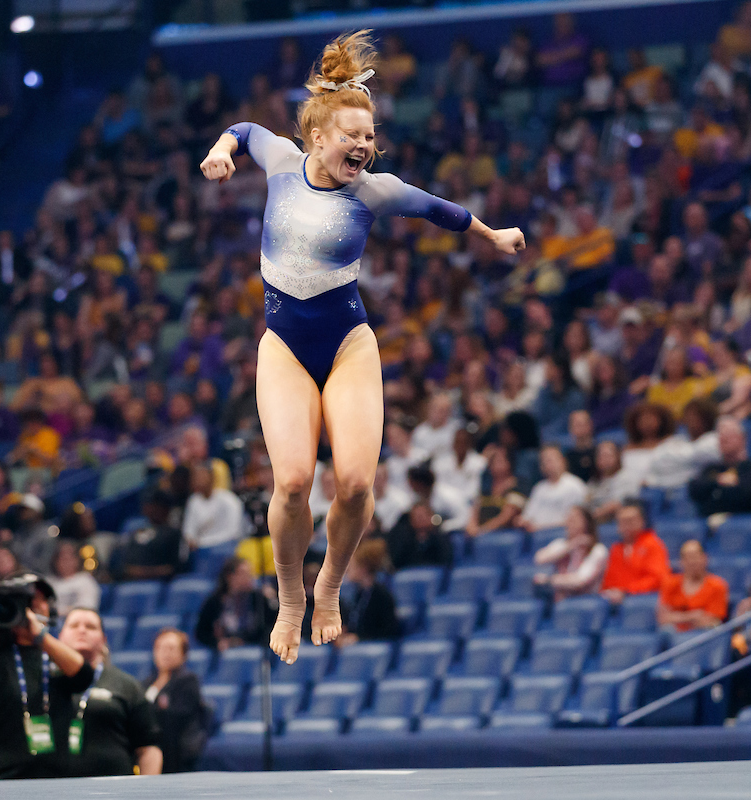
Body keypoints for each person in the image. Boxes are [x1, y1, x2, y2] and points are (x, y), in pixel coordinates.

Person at [199, 30, 525, 665]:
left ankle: (329, 588)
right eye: (351, 135)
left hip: (349, 343)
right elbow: (242, 128)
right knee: (292, 482)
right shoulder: (282, 162)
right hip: (284, 347)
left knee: (353, 482)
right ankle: (290, 596)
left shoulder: (374, 190)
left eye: (370, 138)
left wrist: (494, 235)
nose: (364, 147)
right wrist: (219, 151)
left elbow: (442, 210)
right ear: (317, 137)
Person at [0, 574, 95, 780]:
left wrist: (41, 638)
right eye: (27, 601)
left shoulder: (55, 655)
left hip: (52, 781)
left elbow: (83, 677)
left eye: (41, 601)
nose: (35, 607)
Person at [57, 608, 162, 777]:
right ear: (60, 636)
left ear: (103, 639)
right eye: (74, 625)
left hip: (114, 789)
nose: (82, 630)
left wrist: (148, 792)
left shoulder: (127, 685)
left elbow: (148, 748)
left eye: (90, 627)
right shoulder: (47, 681)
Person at [143, 628, 204, 773]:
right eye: (160, 648)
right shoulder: (146, 683)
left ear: (184, 654)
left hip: (176, 753)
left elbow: (177, 716)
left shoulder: (188, 681)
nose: (165, 653)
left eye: (171, 648)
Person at [688, 417, 751, 516]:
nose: (723, 438)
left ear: (742, 438)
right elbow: (695, 490)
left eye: (728, 435)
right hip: (709, 521)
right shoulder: (712, 468)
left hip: (740, 523)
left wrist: (716, 491)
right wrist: (719, 480)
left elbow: (746, 495)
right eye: (721, 435)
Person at [194, 557, 277, 652]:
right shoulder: (215, 601)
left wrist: (272, 600)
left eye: (249, 573)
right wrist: (216, 642)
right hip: (224, 652)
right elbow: (201, 632)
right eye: (243, 573)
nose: (249, 577)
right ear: (230, 577)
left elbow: (270, 626)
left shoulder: (259, 599)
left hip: (253, 648)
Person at [599, 500, 671, 603]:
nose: (626, 525)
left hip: (644, 600)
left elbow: (658, 579)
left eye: (630, 520)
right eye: (622, 521)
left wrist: (627, 591)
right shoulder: (616, 549)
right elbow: (609, 581)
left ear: (642, 521)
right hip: (617, 601)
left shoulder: (653, 544)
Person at [533, 506, 609, 601]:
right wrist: (571, 546)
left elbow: (580, 580)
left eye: (574, 519)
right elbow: (539, 559)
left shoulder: (598, 549)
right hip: (560, 601)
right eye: (568, 518)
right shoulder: (562, 544)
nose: (570, 522)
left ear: (586, 523)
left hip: (586, 601)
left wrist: (549, 580)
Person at [338, 538, 400, 646]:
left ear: (363, 568)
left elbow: (387, 631)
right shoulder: (359, 594)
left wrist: (359, 638)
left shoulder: (381, 596)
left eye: (352, 565)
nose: (347, 569)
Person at [656, 541, 729, 632]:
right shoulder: (670, 583)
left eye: (695, 557)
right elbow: (663, 619)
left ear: (705, 558)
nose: (692, 561)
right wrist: (692, 616)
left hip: (702, 636)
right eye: (687, 558)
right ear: (681, 561)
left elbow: (713, 621)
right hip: (674, 636)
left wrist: (676, 617)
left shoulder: (718, 586)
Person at [519, 445, 588, 531]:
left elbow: (578, 520)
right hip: (538, 536)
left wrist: (541, 527)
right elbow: (527, 516)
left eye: (550, 460)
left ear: (562, 461)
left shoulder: (575, 485)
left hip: (562, 533)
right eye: (544, 461)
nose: (547, 464)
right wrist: (522, 521)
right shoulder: (539, 488)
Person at [181, 464, 246, 550]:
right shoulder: (194, 501)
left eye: (202, 476)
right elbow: (188, 531)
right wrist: (192, 541)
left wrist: (205, 543)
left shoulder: (228, 500)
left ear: (211, 477)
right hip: (201, 550)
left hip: (226, 547)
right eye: (196, 476)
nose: (198, 480)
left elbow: (234, 531)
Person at [48, 540, 101, 616]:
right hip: (50, 623)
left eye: (69, 559)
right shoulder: (49, 581)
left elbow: (88, 608)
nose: (65, 563)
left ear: (77, 560)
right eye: (62, 558)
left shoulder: (86, 580)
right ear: (55, 561)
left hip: (77, 623)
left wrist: (60, 612)